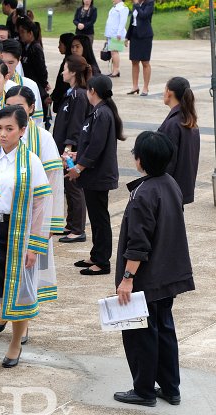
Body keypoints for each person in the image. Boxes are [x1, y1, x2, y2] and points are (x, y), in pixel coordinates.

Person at [113, 131, 194, 407]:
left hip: (147, 279)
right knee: (165, 330)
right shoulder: (169, 183)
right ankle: (171, 388)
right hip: (168, 275)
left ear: (140, 160)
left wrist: (127, 279)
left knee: (141, 335)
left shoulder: (143, 194)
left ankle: (144, 389)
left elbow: (138, 244)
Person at [0, 105, 52, 372]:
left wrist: (35, 244)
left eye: (9, 129)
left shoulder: (31, 162)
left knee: (19, 289)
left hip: (19, 232)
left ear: (22, 131)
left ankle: (16, 342)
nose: (3, 134)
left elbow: (41, 202)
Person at [6, 85, 64, 304]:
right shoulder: (0, 134)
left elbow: (54, 182)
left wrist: (50, 222)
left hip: (35, 214)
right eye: (8, 106)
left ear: (31, 108)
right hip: (7, 214)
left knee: (30, 267)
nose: (14, 111)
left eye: (19, 107)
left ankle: (22, 320)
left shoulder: (42, 138)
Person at [64, 74, 124, 275]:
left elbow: (96, 147)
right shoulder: (99, 112)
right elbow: (90, 144)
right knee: (97, 217)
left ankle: (102, 261)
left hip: (98, 175)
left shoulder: (102, 114)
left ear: (93, 92)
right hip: (94, 175)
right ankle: (96, 254)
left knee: (100, 219)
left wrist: (78, 167)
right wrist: (77, 154)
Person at [52, 55, 92, 244]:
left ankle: (78, 229)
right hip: (64, 147)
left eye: (65, 68)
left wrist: (68, 148)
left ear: (74, 72)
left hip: (71, 150)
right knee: (69, 186)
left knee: (74, 187)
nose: (62, 72)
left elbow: (76, 125)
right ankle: (71, 224)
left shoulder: (79, 95)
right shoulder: (72, 93)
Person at [158, 77, 200, 204]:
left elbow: (168, 160)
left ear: (169, 92)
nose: (163, 93)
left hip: (170, 190)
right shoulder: (188, 120)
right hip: (181, 187)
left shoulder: (174, 123)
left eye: (165, 89)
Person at [0, 38, 44, 125]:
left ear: (19, 60)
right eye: (2, 62)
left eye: (11, 62)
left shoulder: (30, 85)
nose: (6, 68)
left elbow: (36, 119)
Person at [16, 18, 48, 106]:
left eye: (23, 32)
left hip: (36, 85)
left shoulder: (35, 48)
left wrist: (44, 84)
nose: (20, 35)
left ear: (30, 33)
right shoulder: (26, 47)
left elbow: (41, 69)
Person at [126, 0, 154, 95]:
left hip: (145, 36)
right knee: (134, 61)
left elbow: (144, 15)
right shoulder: (135, 4)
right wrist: (127, 36)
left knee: (145, 62)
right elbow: (132, 21)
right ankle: (135, 86)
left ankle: (145, 88)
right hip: (134, 36)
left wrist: (137, 5)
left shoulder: (149, 3)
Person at [49, 32, 75, 112]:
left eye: (60, 44)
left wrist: (53, 97)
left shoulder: (69, 61)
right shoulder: (67, 59)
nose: (58, 47)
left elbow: (62, 83)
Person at [104, 0, 128, 78]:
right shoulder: (114, 7)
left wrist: (119, 33)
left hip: (117, 34)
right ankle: (114, 70)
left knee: (114, 52)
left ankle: (116, 70)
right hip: (111, 33)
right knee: (112, 53)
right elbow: (110, 22)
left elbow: (123, 22)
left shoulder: (123, 8)